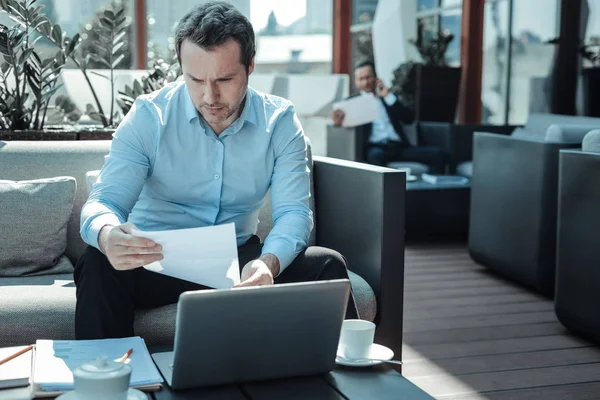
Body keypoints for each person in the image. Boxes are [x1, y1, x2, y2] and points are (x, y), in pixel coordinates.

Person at [74, 1, 359, 340]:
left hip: (237, 262)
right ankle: (108, 385)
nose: (209, 96)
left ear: (250, 66)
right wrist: (108, 235)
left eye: (224, 79)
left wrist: (267, 264)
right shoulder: (150, 117)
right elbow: (104, 200)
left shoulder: (279, 122)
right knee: (97, 262)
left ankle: (343, 384)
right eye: (195, 79)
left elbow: (294, 212)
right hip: (155, 260)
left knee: (328, 266)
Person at [332, 60, 447, 173]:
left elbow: (408, 119)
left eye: (368, 77)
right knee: (375, 156)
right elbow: (340, 124)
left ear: (376, 78)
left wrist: (388, 96)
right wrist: (337, 122)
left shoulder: (387, 98)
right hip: (376, 148)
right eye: (361, 79)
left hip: (399, 147)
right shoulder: (352, 103)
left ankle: (427, 189)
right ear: (356, 82)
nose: (365, 82)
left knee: (438, 154)